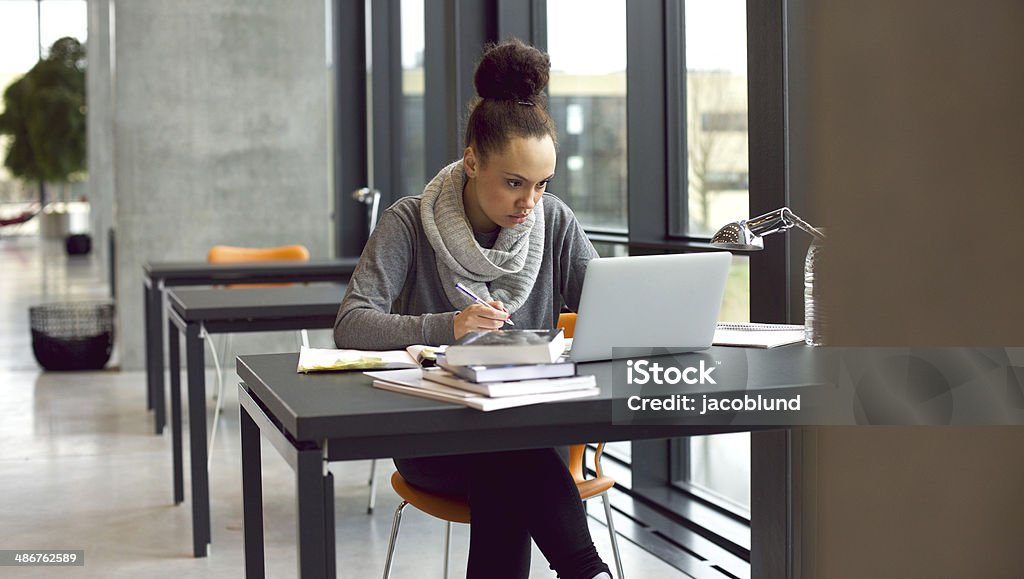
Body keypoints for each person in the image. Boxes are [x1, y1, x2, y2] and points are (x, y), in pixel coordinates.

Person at [334, 38, 612, 579]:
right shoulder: (408, 223)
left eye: (541, 185)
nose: (528, 202)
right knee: (507, 458)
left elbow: (607, 309)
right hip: (435, 440)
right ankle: (586, 571)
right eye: (513, 183)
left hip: (530, 432)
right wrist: (450, 325)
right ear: (471, 161)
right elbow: (351, 324)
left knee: (506, 455)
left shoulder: (553, 221)